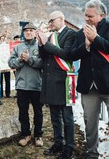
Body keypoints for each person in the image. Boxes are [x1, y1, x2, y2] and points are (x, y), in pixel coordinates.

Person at [68, 0, 109, 159]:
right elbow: (71, 55)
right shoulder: (80, 33)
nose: (87, 19)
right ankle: (92, 154)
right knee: (90, 124)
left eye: (90, 16)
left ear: (102, 15)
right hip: (88, 86)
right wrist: (85, 45)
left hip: (107, 83)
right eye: (85, 15)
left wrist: (96, 39)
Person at [36, 11, 75, 159]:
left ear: (61, 19)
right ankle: (58, 142)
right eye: (49, 21)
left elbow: (66, 54)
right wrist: (41, 44)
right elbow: (43, 56)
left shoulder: (70, 34)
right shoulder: (51, 36)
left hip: (63, 80)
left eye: (52, 20)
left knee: (67, 117)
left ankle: (69, 147)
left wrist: (46, 43)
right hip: (49, 80)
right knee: (54, 116)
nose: (50, 23)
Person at [8, 22, 43, 147]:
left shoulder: (40, 46)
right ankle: (26, 134)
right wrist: (20, 59)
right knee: (23, 112)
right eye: (26, 30)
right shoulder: (18, 47)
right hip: (22, 85)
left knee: (38, 112)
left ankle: (38, 135)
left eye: (31, 30)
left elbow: (42, 63)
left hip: (37, 85)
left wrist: (29, 59)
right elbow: (11, 63)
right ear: (23, 33)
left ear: (35, 32)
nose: (28, 32)